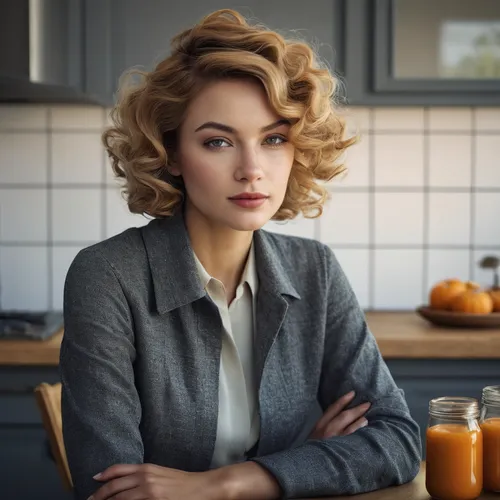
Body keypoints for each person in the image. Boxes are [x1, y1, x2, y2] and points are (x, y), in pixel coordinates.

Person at [60, 8, 421, 500]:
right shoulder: (107, 276)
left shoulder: (315, 271)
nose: (252, 169)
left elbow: (398, 441)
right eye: (218, 142)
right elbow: (114, 489)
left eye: (274, 139)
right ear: (170, 153)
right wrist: (309, 465)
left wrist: (231, 482)